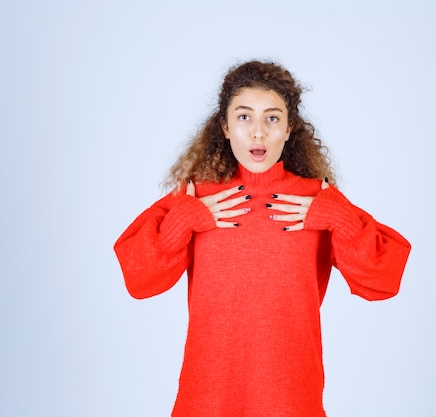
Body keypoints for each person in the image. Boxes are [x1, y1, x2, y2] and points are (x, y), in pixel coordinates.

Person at [114, 60, 411, 417]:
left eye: (272, 118)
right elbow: (139, 279)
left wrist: (336, 217)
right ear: (224, 127)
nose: (258, 132)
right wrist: (186, 219)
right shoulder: (199, 197)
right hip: (209, 392)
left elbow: (383, 279)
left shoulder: (315, 198)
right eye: (244, 117)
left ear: (289, 130)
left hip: (290, 393)